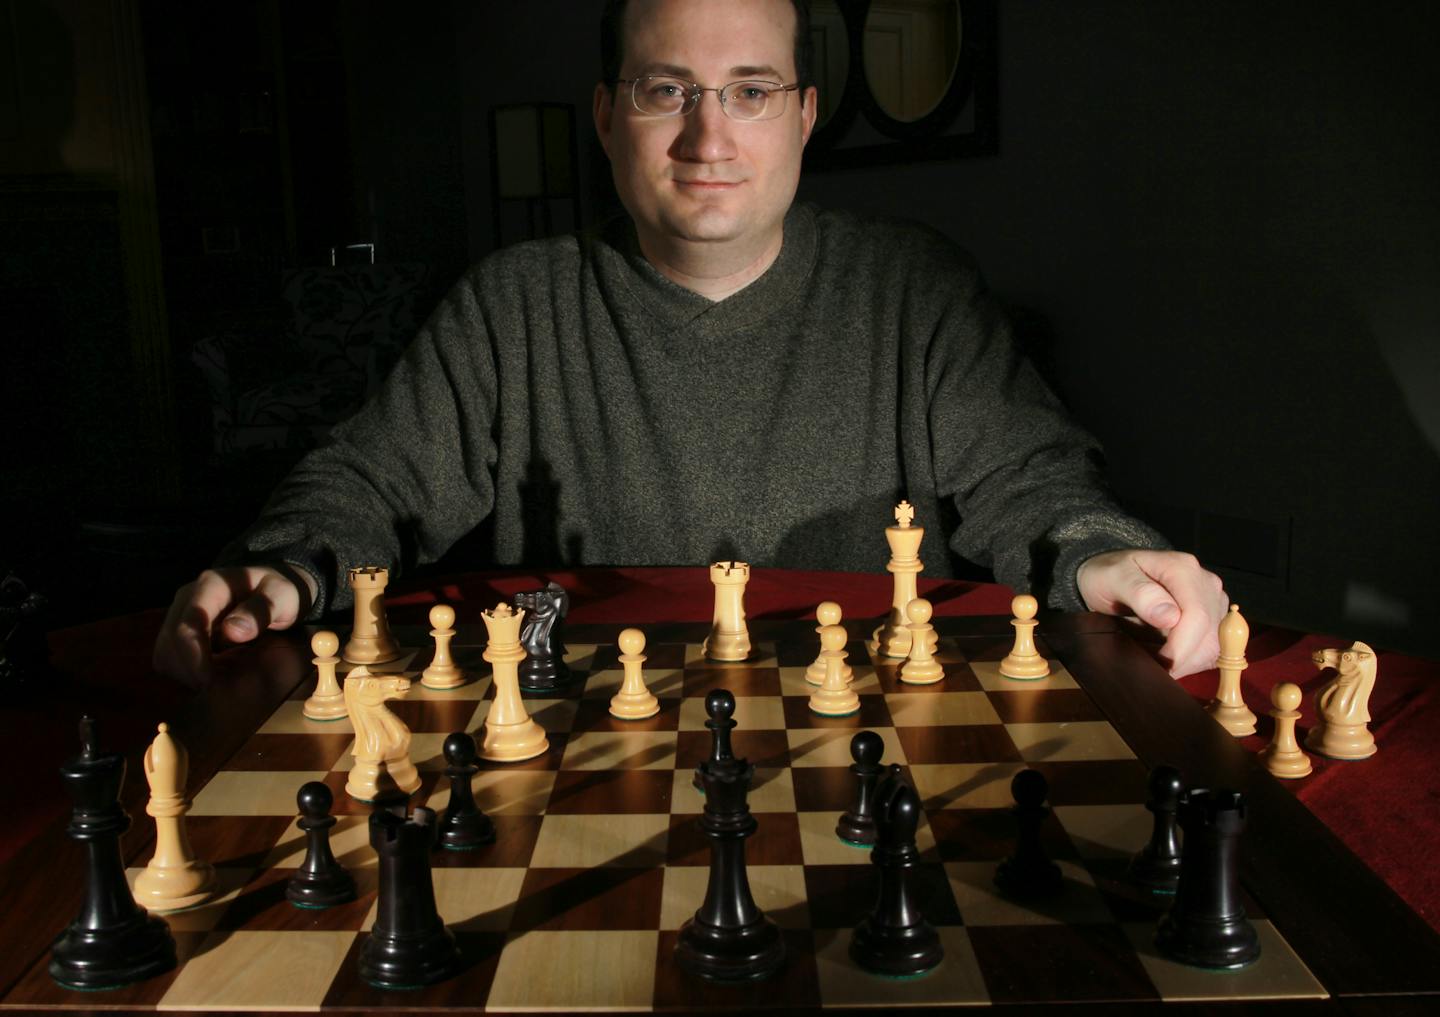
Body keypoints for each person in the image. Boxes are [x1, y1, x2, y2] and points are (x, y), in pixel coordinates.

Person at [154, 0, 1227, 686]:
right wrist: (280, 570)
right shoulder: (511, 303)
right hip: (591, 747)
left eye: (750, 92)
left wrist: (1105, 548)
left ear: (803, 116)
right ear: (610, 113)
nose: (708, 138)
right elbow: (370, 483)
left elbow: (1032, 481)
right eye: (667, 89)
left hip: (869, 741)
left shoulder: (914, 285)